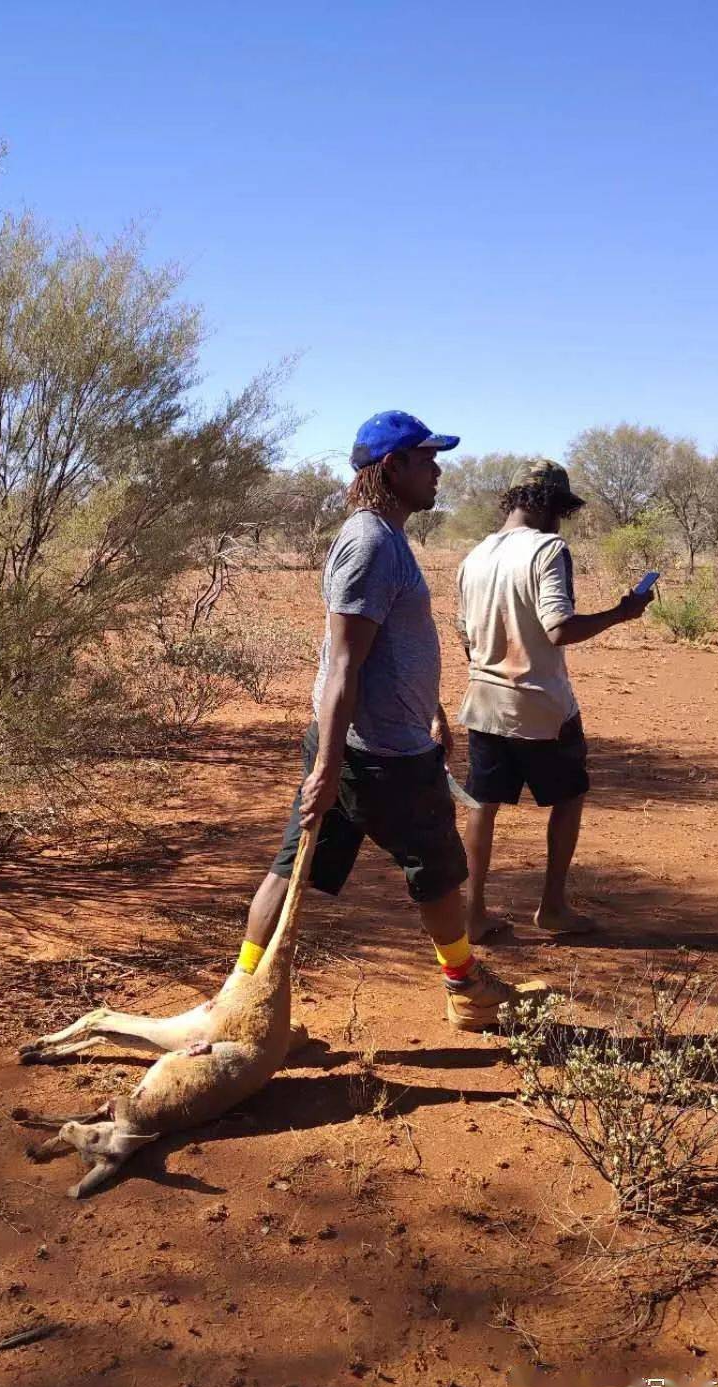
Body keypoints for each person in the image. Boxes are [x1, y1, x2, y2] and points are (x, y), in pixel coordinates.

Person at [235, 412, 549, 1031]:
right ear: (394, 467)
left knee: (291, 868)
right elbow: (343, 664)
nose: (437, 470)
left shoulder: (381, 537)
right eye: (427, 459)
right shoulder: (371, 544)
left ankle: (246, 998)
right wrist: (327, 767)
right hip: (378, 757)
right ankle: (466, 992)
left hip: (370, 744)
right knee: (436, 872)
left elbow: (382, 648)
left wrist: (425, 705)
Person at [455, 458, 654, 942]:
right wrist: (620, 614)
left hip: (483, 702)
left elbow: (465, 636)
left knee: (482, 805)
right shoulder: (548, 550)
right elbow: (559, 627)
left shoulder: (474, 556)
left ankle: (473, 912)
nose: (561, 520)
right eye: (561, 509)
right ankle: (552, 906)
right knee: (569, 797)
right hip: (540, 706)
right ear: (547, 505)